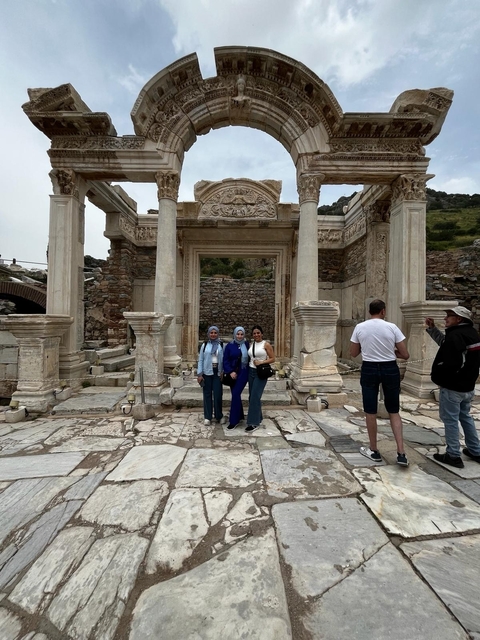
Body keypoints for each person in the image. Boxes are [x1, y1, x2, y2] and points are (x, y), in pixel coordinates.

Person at [350, 299, 410, 466]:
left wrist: (368, 348)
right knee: (394, 410)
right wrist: (390, 352)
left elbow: (353, 353)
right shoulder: (392, 327)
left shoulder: (360, 327)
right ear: (383, 311)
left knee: (370, 411)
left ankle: (374, 450)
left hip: (369, 368)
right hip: (390, 368)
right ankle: (401, 452)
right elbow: (405, 354)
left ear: (370, 312)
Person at [426, 306, 480, 468]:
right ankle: (476, 451)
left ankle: (453, 455)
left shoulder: (456, 336)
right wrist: (432, 329)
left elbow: (453, 362)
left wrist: (440, 378)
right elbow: (446, 345)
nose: (446, 318)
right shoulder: (470, 334)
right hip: (468, 386)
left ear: (459, 319)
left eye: (450, 316)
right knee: (465, 417)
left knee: (450, 420)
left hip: (453, 387)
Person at [246, 325, 275, 432]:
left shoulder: (266, 344)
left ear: (262, 334)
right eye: (254, 333)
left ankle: (254, 422)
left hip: (261, 373)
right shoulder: (251, 344)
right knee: (252, 396)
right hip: (251, 371)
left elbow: (272, 359)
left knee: (255, 396)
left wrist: (261, 362)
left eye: (258, 333)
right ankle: (259, 417)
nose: (256, 335)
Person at [197, 326, 225, 427]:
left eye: (215, 333)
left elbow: (224, 359)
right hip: (207, 372)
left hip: (217, 372)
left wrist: (223, 371)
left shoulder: (221, 344)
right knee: (207, 395)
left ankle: (219, 415)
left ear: (218, 334)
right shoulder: (204, 345)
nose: (213, 334)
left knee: (218, 394)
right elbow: (200, 359)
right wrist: (199, 373)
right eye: (211, 332)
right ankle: (207, 417)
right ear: (208, 334)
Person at [223, 327, 250, 430]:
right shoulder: (229, 346)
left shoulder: (247, 345)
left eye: (241, 334)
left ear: (244, 335)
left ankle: (234, 421)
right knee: (235, 394)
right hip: (232, 374)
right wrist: (230, 371)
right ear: (234, 334)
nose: (239, 336)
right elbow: (225, 360)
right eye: (238, 334)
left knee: (235, 394)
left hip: (243, 373)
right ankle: (240, 415)